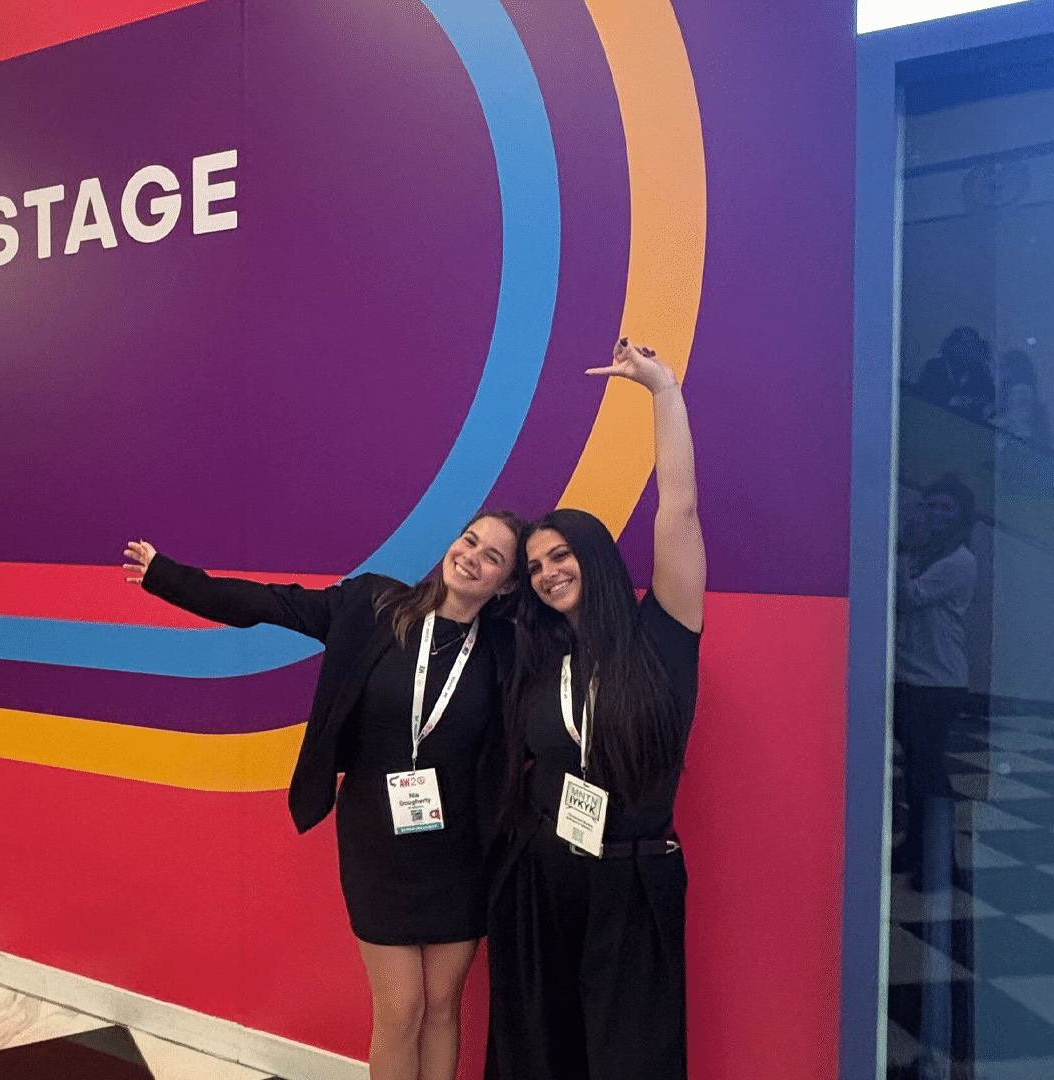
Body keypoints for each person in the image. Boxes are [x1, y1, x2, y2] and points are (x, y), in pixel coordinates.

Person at [123, 511, 527, 1080]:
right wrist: (167, 576)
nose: (472, 558)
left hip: (458, 851)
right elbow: (271, 604)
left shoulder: (506, 649)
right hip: (376, 843)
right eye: (470, 540)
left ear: (507, 583)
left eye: (493, 557)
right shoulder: (373, 606)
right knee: (400, 1009)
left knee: (441, 1008)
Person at [486, 339, 706, 1080]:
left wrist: (662, 392)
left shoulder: (663, 634)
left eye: (560, 556)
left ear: (597, 556)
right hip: (544, 876)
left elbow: (678, 508)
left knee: (629, 1059)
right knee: (542, 1054)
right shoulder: (543, 658)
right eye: (537, 565)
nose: (548, 574)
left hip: (633, 880)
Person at [888, 475, 977, 882]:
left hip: (939, 680)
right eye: (932, 505)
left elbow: (912, 597)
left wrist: (900, 551)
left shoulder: (959, 561)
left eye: (947, 508)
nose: (938, 514)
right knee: (914, 768)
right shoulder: (925, 553)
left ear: (961, 516)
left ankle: (943, 862)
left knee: (928, 769)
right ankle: (915, 848)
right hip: (910, 672)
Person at [913, 326, 997, 420]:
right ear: (952, 345)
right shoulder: (934, 367)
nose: (969, 349)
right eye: (965, 344)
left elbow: (991, 399)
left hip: (971, 426)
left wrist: (975, 403)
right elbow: (921, 400)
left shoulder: (979, 370)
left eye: (973, 344)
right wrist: (949, 401)